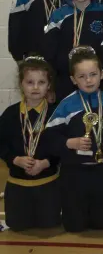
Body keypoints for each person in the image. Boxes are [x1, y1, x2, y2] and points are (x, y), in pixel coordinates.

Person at [45, 46, 103, 232]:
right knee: (75, 226)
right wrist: (69, 143)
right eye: (82, 76)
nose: (88, 80)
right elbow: (49, 138)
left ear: (101, 74)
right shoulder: (66, 105)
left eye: (93, 74)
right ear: (73, 79)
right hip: (74, 173)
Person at [0, 56, 60, 231]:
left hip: (48, 183)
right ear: (21, 84)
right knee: (17, 226)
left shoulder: (56, 114)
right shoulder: (10, 115)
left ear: (49, 85)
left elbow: (62, 146)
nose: (35, 87)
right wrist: (14, 159)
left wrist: (46, 162)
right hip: (18, 185)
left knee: (49, 225)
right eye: (30, 82)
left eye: (41, 82)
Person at [43, 0, 103, 101]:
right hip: (65, 81)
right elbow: (49, 52)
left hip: (96, 81)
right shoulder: (58, 15)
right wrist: (50, 86)